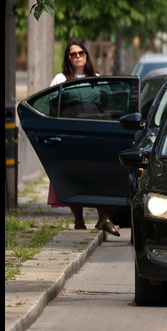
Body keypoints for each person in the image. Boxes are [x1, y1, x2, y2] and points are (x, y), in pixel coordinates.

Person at [48, 41, 121, 237]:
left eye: (81, 52)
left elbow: (109, 107)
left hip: (95, 136)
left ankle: (103, 218)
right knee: (73, 176)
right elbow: (51, 105)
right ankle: (79, 221)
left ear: (87, 55)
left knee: (99, 175)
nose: (78, 56)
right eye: (73, 54)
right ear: (68, 58)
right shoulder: (60, 79)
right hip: (70, 136)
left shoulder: (97, 79)